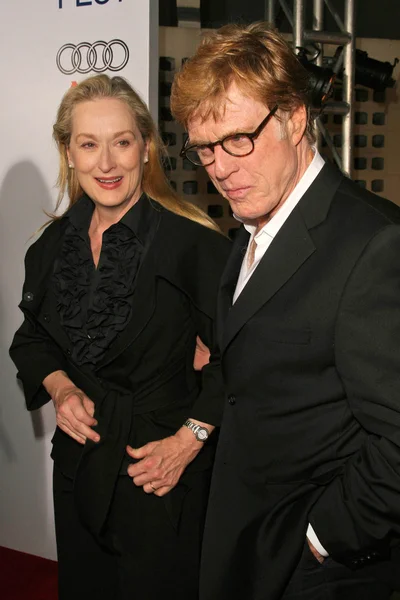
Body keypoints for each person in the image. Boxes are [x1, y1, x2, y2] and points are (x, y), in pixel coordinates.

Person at [170, 21, 400, 600]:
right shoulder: (253, 226)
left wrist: (327, 537)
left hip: (322, 568)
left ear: (296, 117)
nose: (220, 168)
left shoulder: (374, 243)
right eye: (204, 149)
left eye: (238, 140)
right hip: (247, 539)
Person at [9, 74, 230, 600]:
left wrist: (188, 440)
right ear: (68, 152)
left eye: (122, 142)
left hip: (161, 476)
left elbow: (240, 357)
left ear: (146, 148)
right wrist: (61, 388)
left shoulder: (195, 246)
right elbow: (31, 339)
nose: (106, 163)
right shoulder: (48, 248)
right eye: (88, 144)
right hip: (79, 472)